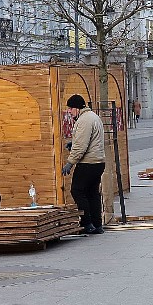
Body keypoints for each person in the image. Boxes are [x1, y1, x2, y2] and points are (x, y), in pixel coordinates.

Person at [62, 94, 106, 234]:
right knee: (92, 193)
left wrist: (70, 163)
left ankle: (86, 223)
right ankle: (97, 224)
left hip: (88, 163)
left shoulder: (84, 120)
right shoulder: (93, 116)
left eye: (70, 108)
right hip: (98, 162)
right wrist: (73, 143)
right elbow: (90, 140)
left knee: (77, 190)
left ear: (77, 108)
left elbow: (81, 146)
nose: (69, 111)